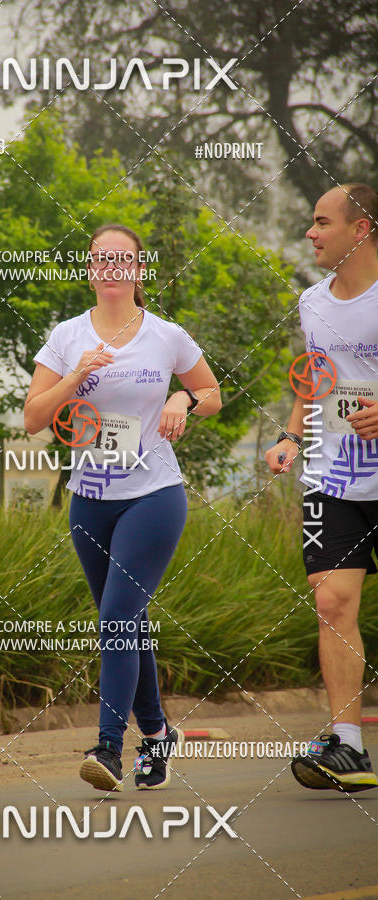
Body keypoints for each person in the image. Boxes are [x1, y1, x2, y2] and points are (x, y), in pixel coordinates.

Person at [25, 224, 221, 791]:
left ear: (138, 270)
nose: (110, 267)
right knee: (124, 624)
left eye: (122, 259)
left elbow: (212, 394)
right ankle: (158, 735)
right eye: (99, 259)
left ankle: (109, 749)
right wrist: (77, 377)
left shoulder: (165, 335)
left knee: (115, 619)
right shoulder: (65, 336)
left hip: (154, 496)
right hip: (90, 501)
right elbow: (33, 418)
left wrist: (182, 398)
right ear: (89, 269)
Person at [266, 184, 378, 793]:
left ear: (360, 230)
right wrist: (289, 436)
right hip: (333, 475)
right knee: (331, 601)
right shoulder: (313, 302)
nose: (310, 233)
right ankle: (348, 747)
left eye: (322, 222)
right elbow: (317, 378)